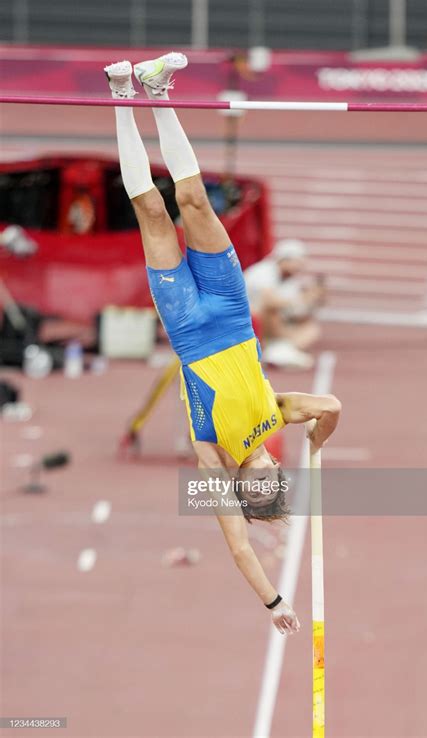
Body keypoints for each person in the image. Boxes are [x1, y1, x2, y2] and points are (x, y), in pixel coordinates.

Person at [104, 53, 341, 635]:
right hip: (233, 313)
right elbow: (331, 407)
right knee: (196, 203)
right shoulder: (276, 417)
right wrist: (318, 436)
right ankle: (157, 92)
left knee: (152, 213)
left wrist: (273, 603)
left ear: (242, 488)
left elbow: (238, 546)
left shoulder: (211, 458)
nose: (266, 479)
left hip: (187, 325)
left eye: (257, 489)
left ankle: (118, 93)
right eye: (273, 485)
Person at [244, 238, 325, 369]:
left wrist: (314, 301)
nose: (300, 267)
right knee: (272, 311)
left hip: (271, 325)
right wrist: (302, 298)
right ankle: (274, 348)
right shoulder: (263, 271)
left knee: (311, 328)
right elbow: (270, 302)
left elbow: (295, 312)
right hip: (249, 321)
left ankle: (280, 348)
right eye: (297, 263)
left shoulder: (290, 281)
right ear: (285, 259)